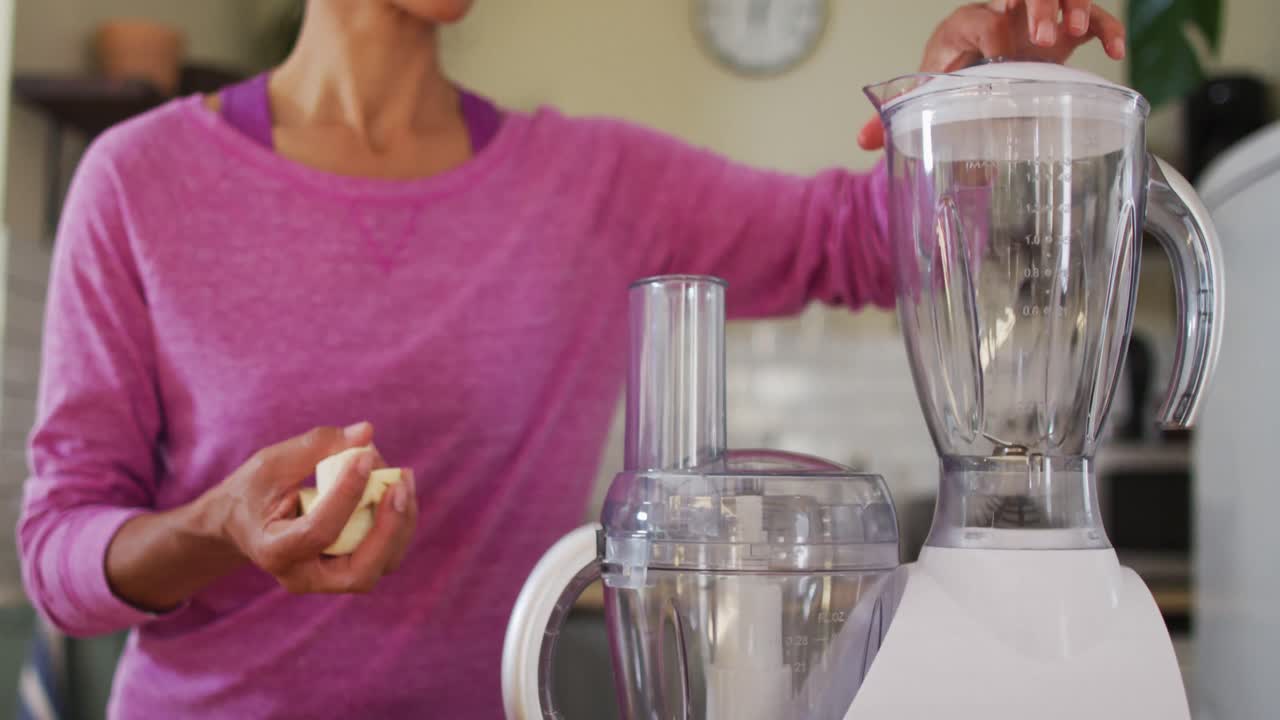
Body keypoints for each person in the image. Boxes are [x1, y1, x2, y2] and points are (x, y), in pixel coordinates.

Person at [16, 1, 1126, 717]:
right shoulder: (139, 181)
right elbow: (59, 554)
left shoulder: (591, 185)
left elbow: (861, 243)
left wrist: (981, 110)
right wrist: (218, 528)